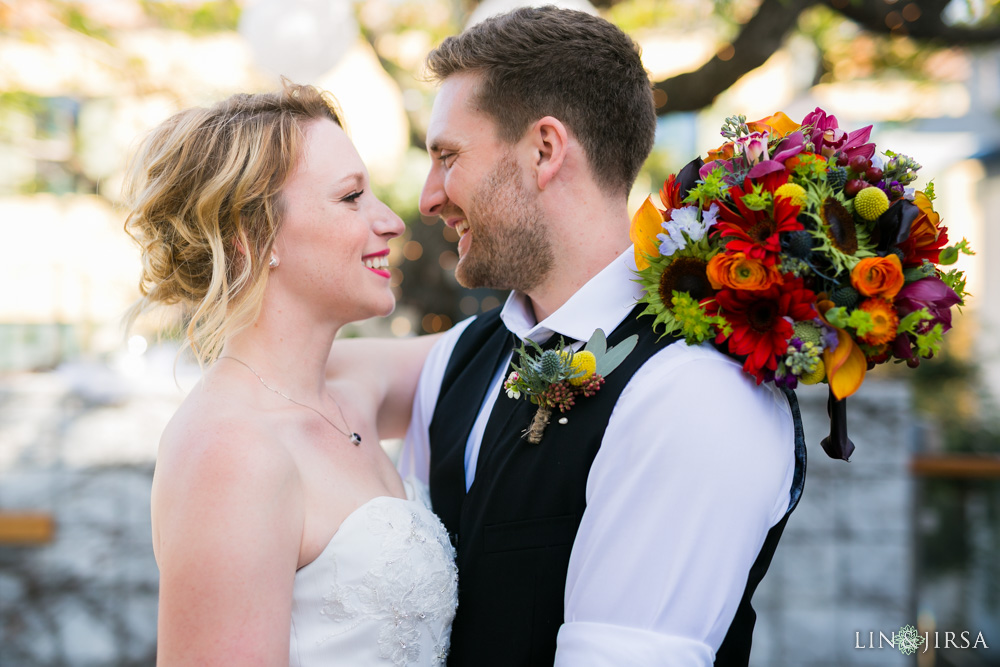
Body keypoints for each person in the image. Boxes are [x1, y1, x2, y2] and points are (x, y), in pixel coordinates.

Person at [399, 7, 805, 666]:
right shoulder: (460, 359)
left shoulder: (696, 388)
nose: (427, 197)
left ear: (544, 150)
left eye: (447, 156)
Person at [124, 83, 457, 666]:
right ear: (255, 239)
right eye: (352, 198)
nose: (390, 222)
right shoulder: (228, 452)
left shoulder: (350, 386)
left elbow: (508, 345)